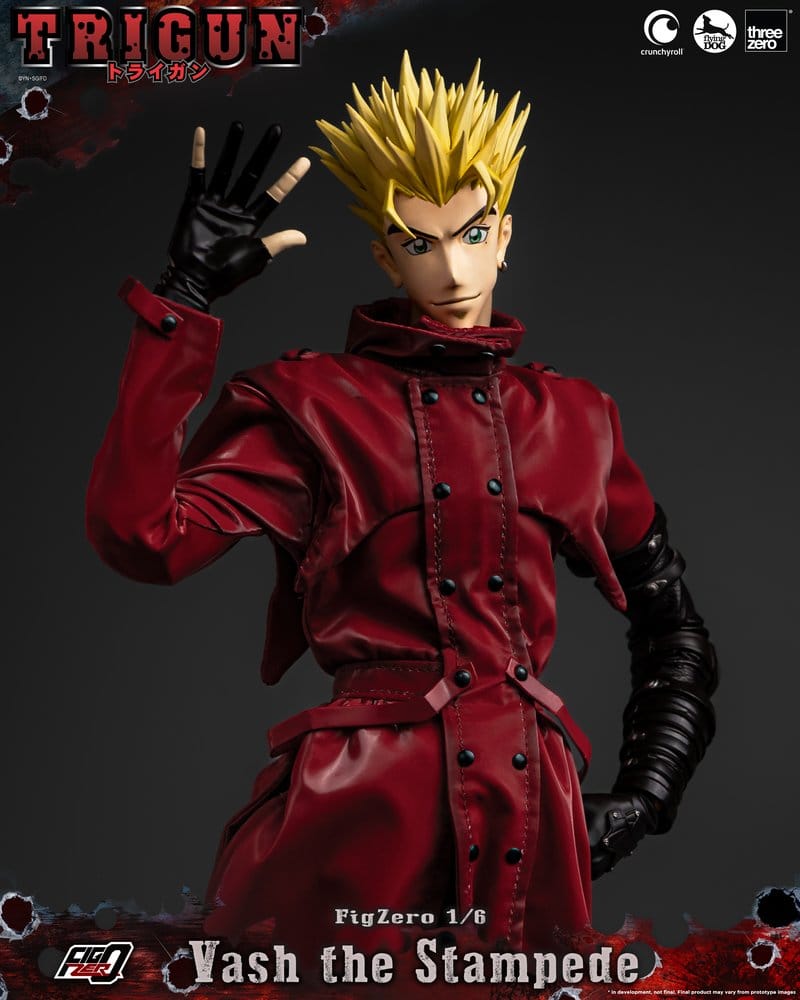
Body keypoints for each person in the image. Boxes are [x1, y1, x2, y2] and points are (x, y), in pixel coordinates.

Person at [86, 53, 717, 961]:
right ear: (385, 255)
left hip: (527, 812)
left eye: (472, 233)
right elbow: (143, 539)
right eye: (420, 243)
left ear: (505, 235)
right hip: (354, 809)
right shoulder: (313, 405)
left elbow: (674, 625)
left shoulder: (575, 419)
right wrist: (184, 300)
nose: (452, 267)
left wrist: (650, 791)